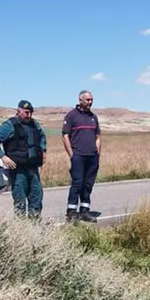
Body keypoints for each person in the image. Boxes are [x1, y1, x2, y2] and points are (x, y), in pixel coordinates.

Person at [0, 100, 47, 219]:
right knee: (20, 199)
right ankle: (21, 227)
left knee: (36, 196)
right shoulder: (10, 125)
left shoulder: (35, 124)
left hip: (33, 167)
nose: (28, 115)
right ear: (18, 111)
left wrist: (43, 150)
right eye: (26, 112)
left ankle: (34, 225)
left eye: (30, 112)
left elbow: (42, 137)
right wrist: (2, 156)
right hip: (18, 170)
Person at [62, 90, 101, 222]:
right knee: (77, 184)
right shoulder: (71, 115)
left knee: (88, 184)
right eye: (88, 100)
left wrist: (97, 153)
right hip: (78, 156)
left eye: (91, 99)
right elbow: (65, 136)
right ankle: (71, 212)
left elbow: (98, 136)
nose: (90, 102)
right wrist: (72, 155)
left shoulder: (93, 117)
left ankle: (85, 211)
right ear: (80, 100)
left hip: (92, 156)